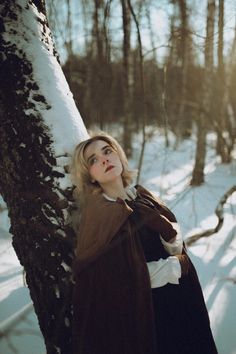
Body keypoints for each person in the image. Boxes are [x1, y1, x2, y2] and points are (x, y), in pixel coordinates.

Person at [70, 132, 218, 354]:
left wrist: (170, 236)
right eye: (93, 159)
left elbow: (174, 246)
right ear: (90, 175)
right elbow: (110, 280)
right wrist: (174, 267)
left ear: (118, 155)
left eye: (107, 151)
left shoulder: (142, 196)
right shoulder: (98, 216)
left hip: (180, 305)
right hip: (146, 319)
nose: (103, 159)